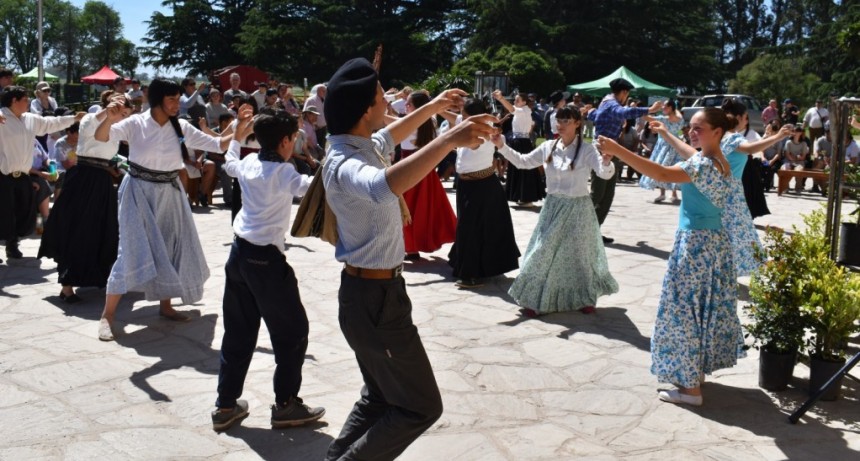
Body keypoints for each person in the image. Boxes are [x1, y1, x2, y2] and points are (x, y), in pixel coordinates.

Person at [322, 57, 496, 461]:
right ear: (365, 109)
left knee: (380, 397)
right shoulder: (345, 162)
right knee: (420, 407)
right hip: (374, 301)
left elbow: (389, 134)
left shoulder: (357, 144)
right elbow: (381, 186)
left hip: (371, 295)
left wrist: (433, 107)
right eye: (381, 95)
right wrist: (448, 141)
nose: (388, 100)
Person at [597, 108, 741, 407]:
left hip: (696, 245)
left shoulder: (702, 165)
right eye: (691, 127)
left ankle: (690, 391)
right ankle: (693, 375)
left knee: (683, 312)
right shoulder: (720, 160)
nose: (692, 132)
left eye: (698, 128)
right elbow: (692, 154)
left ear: (717, 132)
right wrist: (665, 134)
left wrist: (618, 150)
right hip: (714, 244)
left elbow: (661, 173)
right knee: (700, 311)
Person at [211, 105, 324, 432]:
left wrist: (236, 137)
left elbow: (230, 164)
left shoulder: (249, 163)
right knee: (292, 332)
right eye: (294, 138)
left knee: (238, 332)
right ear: (286, 141)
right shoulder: (284, 173)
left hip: (238, 257)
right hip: (266, 263)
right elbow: (311, 188)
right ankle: (286, 405)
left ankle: (225, 406)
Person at [94, 79, 232, 342]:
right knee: (129, 249)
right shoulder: (136, 123)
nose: (177, 104)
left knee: (169, 247)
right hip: (138, 191)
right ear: (158, 99)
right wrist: (109, 119)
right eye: (172, 99)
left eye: (178, 98)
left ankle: (166, 306)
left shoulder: (181, 126)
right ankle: (107, 316)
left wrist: (240, 129)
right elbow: (101, 137)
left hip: (170, 192)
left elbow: (217, 145)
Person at [493, 106, 618, 317]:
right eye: (558, 120)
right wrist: (501, 146)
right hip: (552, 207)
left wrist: (606, 161)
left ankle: (584, 298)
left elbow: (604, 174)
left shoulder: (587, 150)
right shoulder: (548, 146)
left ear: (577, 123)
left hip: (578, 209)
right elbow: (523, 162)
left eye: (566, 121)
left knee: (579, 256)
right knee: (542, 252)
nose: (560, 125)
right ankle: (536, 299)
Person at [39, 94, 132, 303]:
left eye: (126, 114)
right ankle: (67, 286)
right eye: (122, 112)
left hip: (102, 180)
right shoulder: (90, 119)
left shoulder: (117, 127)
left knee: (102, 229)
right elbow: (95, 135)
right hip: (82, 179)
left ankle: (97, 275)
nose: (123, 117)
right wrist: (109, 114)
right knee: (76, 228)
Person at [0, 86, 83, 260]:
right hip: (2, 176)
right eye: (25, 99)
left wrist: (74, 118)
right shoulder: (1, 117)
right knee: (3, 212)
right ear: (14, 101)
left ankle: (12, 244)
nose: (28, 102)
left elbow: (51, 123)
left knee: (22, 211)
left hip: (23, 175)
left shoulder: (30, 119)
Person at [448, 98, 520, 288]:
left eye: (465, 115)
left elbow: (458, 139)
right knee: (468, 227)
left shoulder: (485, 132)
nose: (461, 118)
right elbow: (453, 118)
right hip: (466, 185)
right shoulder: (469, 124)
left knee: (472, 228)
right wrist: (436, 107)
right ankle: (466, 264)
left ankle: (471, 273)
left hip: (483, 186)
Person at [586, 78, 663, 243]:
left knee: (607, 196)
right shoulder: (610, 103)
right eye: (627, 94)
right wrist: (649, 109)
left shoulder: (606, 103)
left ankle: (592, 232)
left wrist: (590, 112)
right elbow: (622, 113)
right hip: (602, 153)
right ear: (623, 92)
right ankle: (579, 231)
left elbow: (596, 116)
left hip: (610, 152)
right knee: (597, 194)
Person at [398, 90, 457, 260]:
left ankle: (411, 247)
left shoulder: (407, 122)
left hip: (409, 168)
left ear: (417, 107)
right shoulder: (430, 121)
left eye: (409, 103)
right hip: (425, 169)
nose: (405, 105)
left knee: (407, 208)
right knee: (423, 208)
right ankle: (415, 245)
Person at [494, 89, 543, 206]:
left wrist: (501, 98)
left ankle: (527, 198)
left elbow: (512, 109)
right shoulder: (523, 111)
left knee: (523, 170)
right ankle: (521, 196)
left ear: (524, 102)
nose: (515, 102)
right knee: (518, 169)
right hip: (520, 141)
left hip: (521, 142)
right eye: (515, 100)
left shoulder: (523, 110)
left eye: (517, 100)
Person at [639, 100, 684, 203]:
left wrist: (652, 109)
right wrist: (673, 108)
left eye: (665, 106)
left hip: (666, 146)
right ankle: (670, 194)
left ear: (671, 108)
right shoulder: (677, 119)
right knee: (671, 167)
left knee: (664, 167)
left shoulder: (664, 119)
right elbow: (646, 118)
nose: (663, 108)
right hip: (674, 146)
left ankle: (665, 194)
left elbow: (644, 117)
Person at [782, 125, 809, 192]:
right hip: (789, 161)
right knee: (785, 168)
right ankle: (785, 187)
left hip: (799, 162)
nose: (795, 132)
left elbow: (803, 157)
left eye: (797, 131)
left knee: (799, 170)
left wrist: (797, 157)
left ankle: (798, 188)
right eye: (793, 131)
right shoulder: (788, 142)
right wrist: (795, 158)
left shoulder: (804, 144)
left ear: (801, 133)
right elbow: (787, 154)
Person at [304, 83, 327, 148]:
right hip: (314, 128)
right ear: (318, 91)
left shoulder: (325, 99)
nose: (325, 93)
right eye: (323, 91)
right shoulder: (311, 100)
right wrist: (313, 125)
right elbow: (306, 112)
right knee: (314, 145)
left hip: (323, 127)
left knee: (322, 145)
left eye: (325, 91)